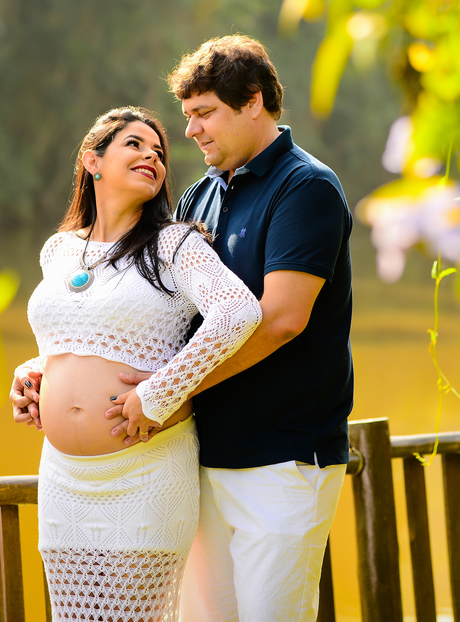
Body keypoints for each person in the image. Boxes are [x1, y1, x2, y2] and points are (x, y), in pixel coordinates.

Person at [115, 35, 354, 621]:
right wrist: (51, 367)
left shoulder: (306, 187)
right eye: (187, 116)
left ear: (253, 102)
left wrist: (168, 391)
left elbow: (280, 321)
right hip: (200, 457)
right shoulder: (200, 194)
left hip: (284, 462)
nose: (191, 131)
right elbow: (155, 311)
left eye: (204, 114)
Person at [12, 106, 262, 622]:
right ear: (92, 160)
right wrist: (34, 373)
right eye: (134, 144)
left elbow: (239, 311)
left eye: (159, 152)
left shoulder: (175, 244)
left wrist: (160, 392)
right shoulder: (58, 250)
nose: (152, 155)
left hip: (145, 471)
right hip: (63, 479)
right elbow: (75, 336)